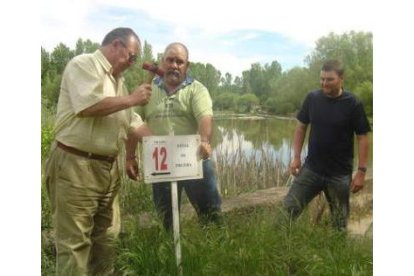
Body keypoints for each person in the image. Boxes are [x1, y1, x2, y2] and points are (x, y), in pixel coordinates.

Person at [44, 27, 152, 275]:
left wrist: (162, 143)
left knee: (107, 240)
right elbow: (88, 105)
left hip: (108, 170)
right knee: (75, 245)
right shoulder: (83, 64)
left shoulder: (118, 82)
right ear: (116, 45)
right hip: (76, 165)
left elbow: (130, 121)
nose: (133, 63)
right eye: (132, 57)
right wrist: (133, 98)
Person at [125, 42, 222, 230]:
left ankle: (216, 252)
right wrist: (130, 156)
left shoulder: (197, 89)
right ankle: (171, 255)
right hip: (161, 164)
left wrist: (204, 141)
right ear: (162, 62)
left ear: (187, 66)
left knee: (211, 217)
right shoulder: (146, 90)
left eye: (180, 61)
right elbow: (132, 122)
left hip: (195, 161)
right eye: (170, 60)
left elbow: (205, 118)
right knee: (167, 220)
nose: (174, 65)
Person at [283, 59, 371, 231]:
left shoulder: (353, 103)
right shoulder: (312, 98)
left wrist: (361, 171)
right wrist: (296, 158)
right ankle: (281, 248)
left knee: (339, 224)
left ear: (341, 78)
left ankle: (337, 255)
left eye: (329, 79)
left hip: (339, 175)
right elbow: (301, 127)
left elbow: (362, 137)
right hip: (312, 169)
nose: (324, 83)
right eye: (322, 79)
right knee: (287, 211)